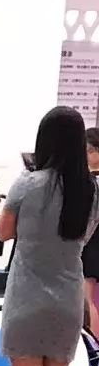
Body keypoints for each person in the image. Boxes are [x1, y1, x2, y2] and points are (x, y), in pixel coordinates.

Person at [0, 107, 99, 366]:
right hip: (68, 294)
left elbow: (4, 231)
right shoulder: (92, 190)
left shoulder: (27, 182)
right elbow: (84, 237)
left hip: (27, 292)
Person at [84, 127, 99, 335]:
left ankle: (92, 345)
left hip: (92, 242)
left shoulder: (93, 181)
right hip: (91, 241)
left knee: (85, 299)